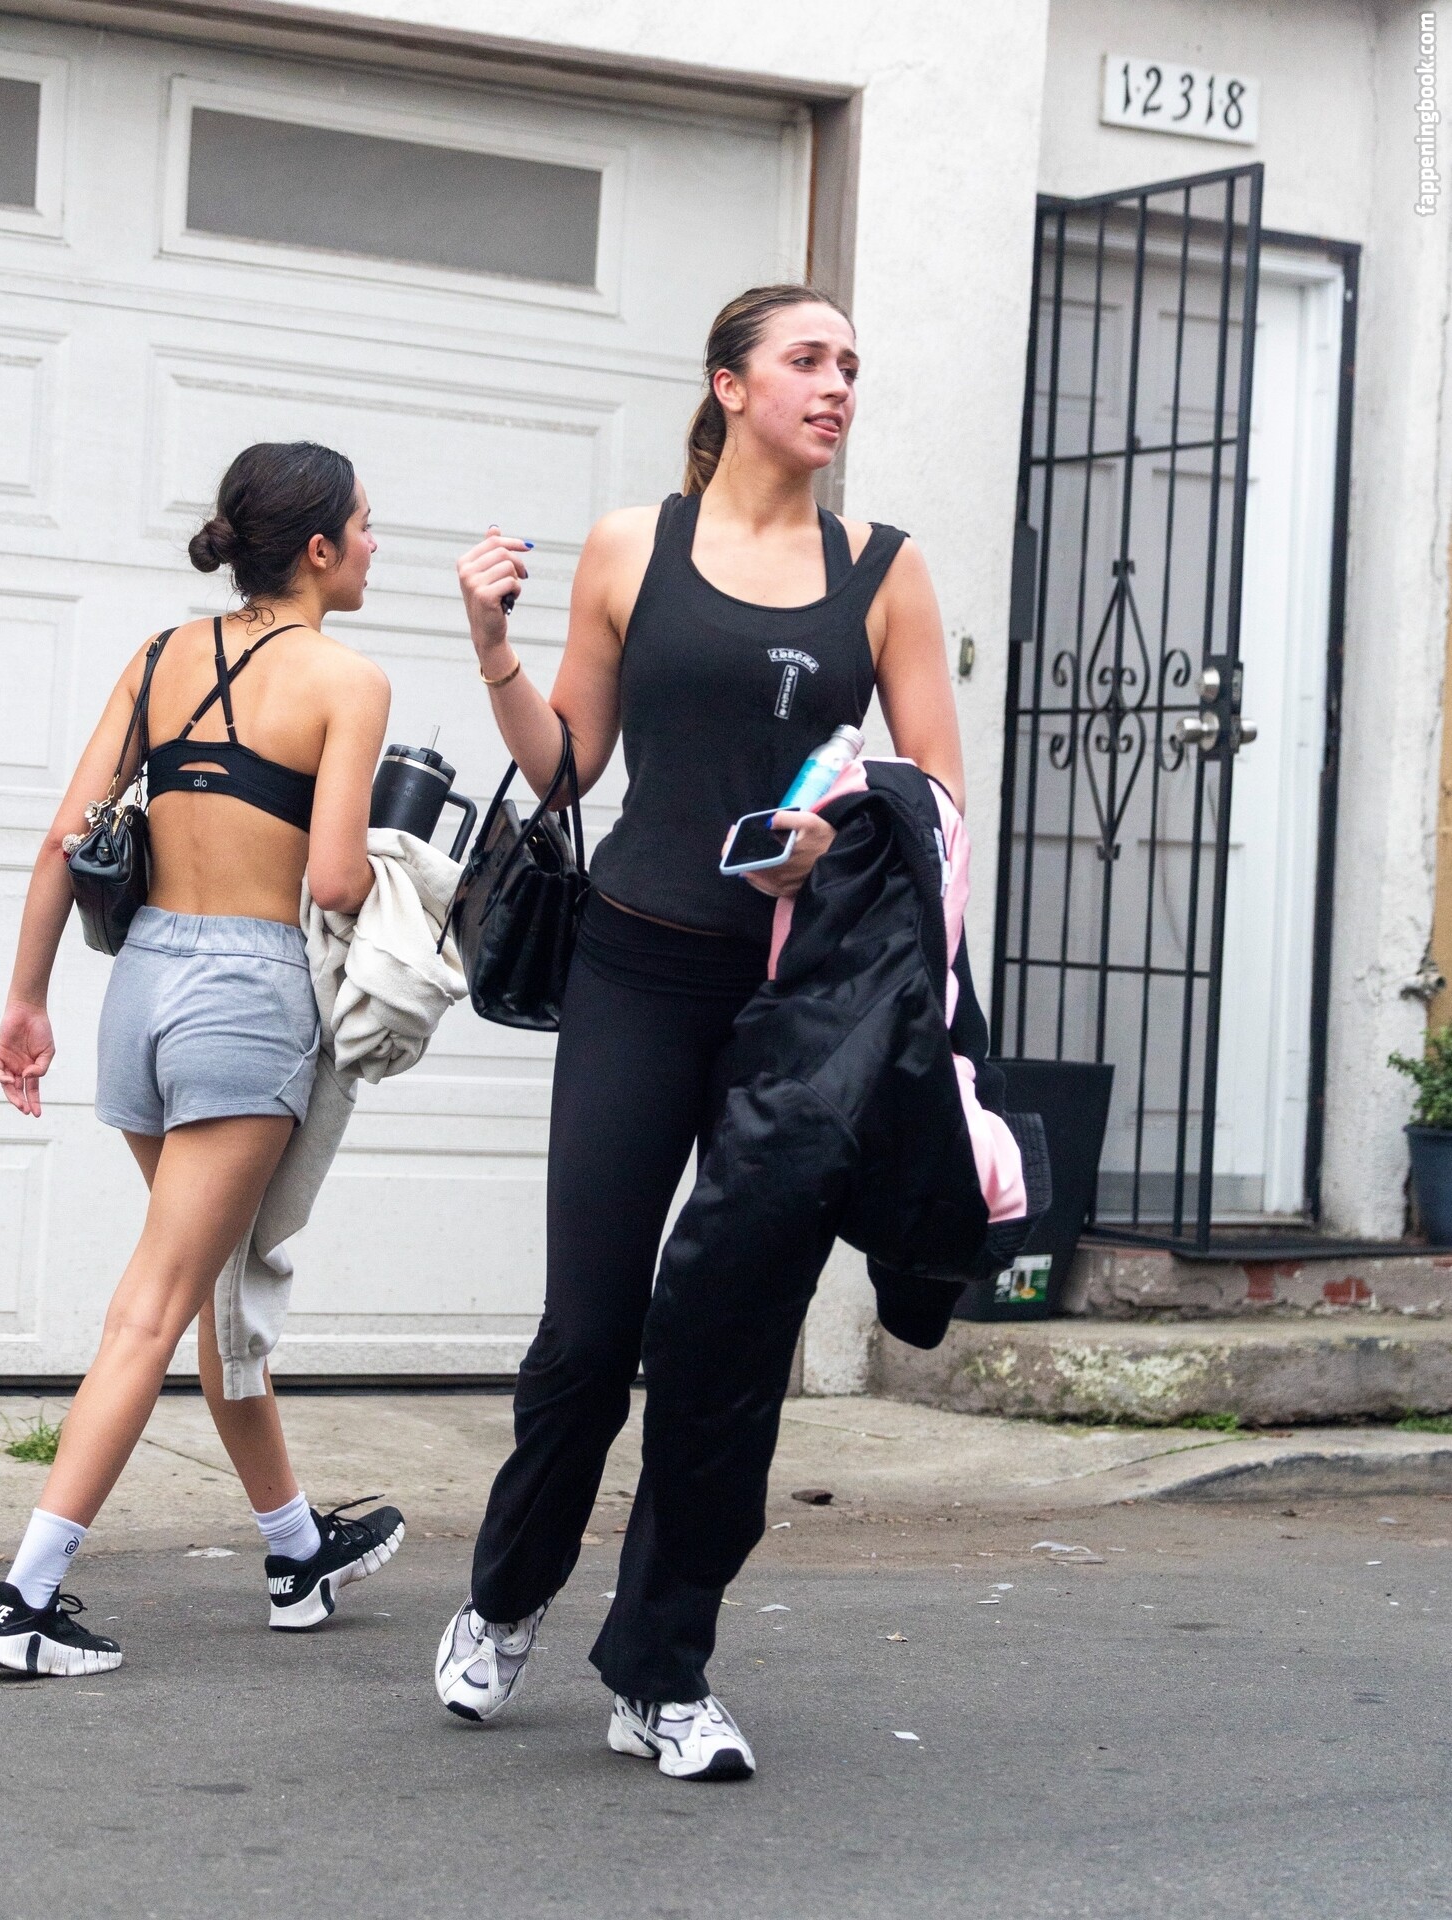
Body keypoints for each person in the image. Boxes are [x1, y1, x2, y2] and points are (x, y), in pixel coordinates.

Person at [435, 285, 965, 1777]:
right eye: (807, 359)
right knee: (590, 1330)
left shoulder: (884, 570)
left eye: (850, 363)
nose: (836, 383)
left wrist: (839, 835)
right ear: (729, 384)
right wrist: (491, 646)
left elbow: (938, 788)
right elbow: (569, 765)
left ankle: (661, 1674)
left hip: (800, 1010)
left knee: (725, 1352)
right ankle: (506, 1594)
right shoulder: (632, 546)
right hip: (634, 969)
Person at [0, 441, 405, 1677]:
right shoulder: (347, 681)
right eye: (366, 526)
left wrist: (25, 997)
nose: (376, 546)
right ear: (316, 548)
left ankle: (295, 1550)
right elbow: (334, 881)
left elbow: (65, 839)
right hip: (247, 997)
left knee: (212, 1285)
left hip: (143, 987)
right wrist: (411, 867)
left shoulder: (160, 656)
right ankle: (21, 1602)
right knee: (154, 1308)